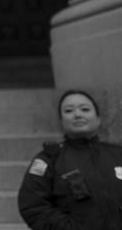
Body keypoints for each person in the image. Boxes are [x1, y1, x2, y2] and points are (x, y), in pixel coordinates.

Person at [18, 89, 122, 229]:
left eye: (85, 109)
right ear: (61, 122)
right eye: (69, 111)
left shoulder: (117, 154)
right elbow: (34, 207)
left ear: (98, 119)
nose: (78, 114)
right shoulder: (49, 159)